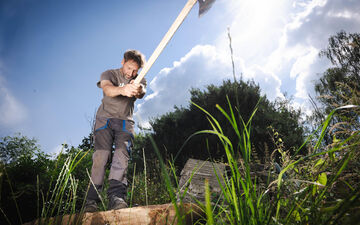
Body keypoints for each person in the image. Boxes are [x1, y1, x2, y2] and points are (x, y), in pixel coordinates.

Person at [84, 50, 146, 212]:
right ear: (122, 62)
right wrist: (123, 89)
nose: (130, 73)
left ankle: (116, 197)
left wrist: (137, 89)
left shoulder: (139, 78)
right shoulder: (109, 74)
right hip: (104, 120)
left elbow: (141, 91)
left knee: (121, 154)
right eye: (128, 68)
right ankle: (91, 200)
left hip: (125, 122)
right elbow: (107, 90)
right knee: (101, 156)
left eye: (135, 70)